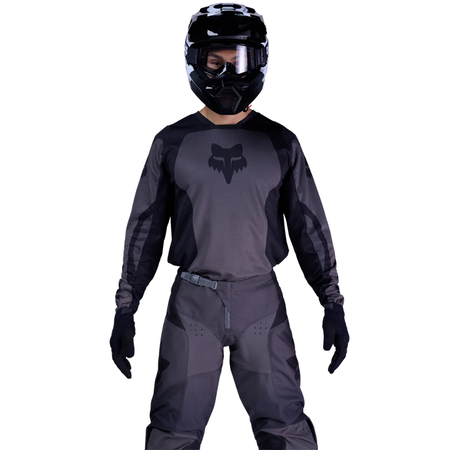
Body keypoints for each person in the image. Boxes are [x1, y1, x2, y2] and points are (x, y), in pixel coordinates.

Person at [110, 4, 349, 449]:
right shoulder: (171, 142)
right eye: (213, 62)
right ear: (195, 62)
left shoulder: (280, 142)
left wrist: (331, 301)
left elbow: (309, 225)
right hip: (192, 305)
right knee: (174, 429)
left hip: (261, 302)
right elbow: (145, 229)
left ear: (257, 61)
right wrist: (127, 307)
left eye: (236, 61)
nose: (224, 74)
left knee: (284, 426)